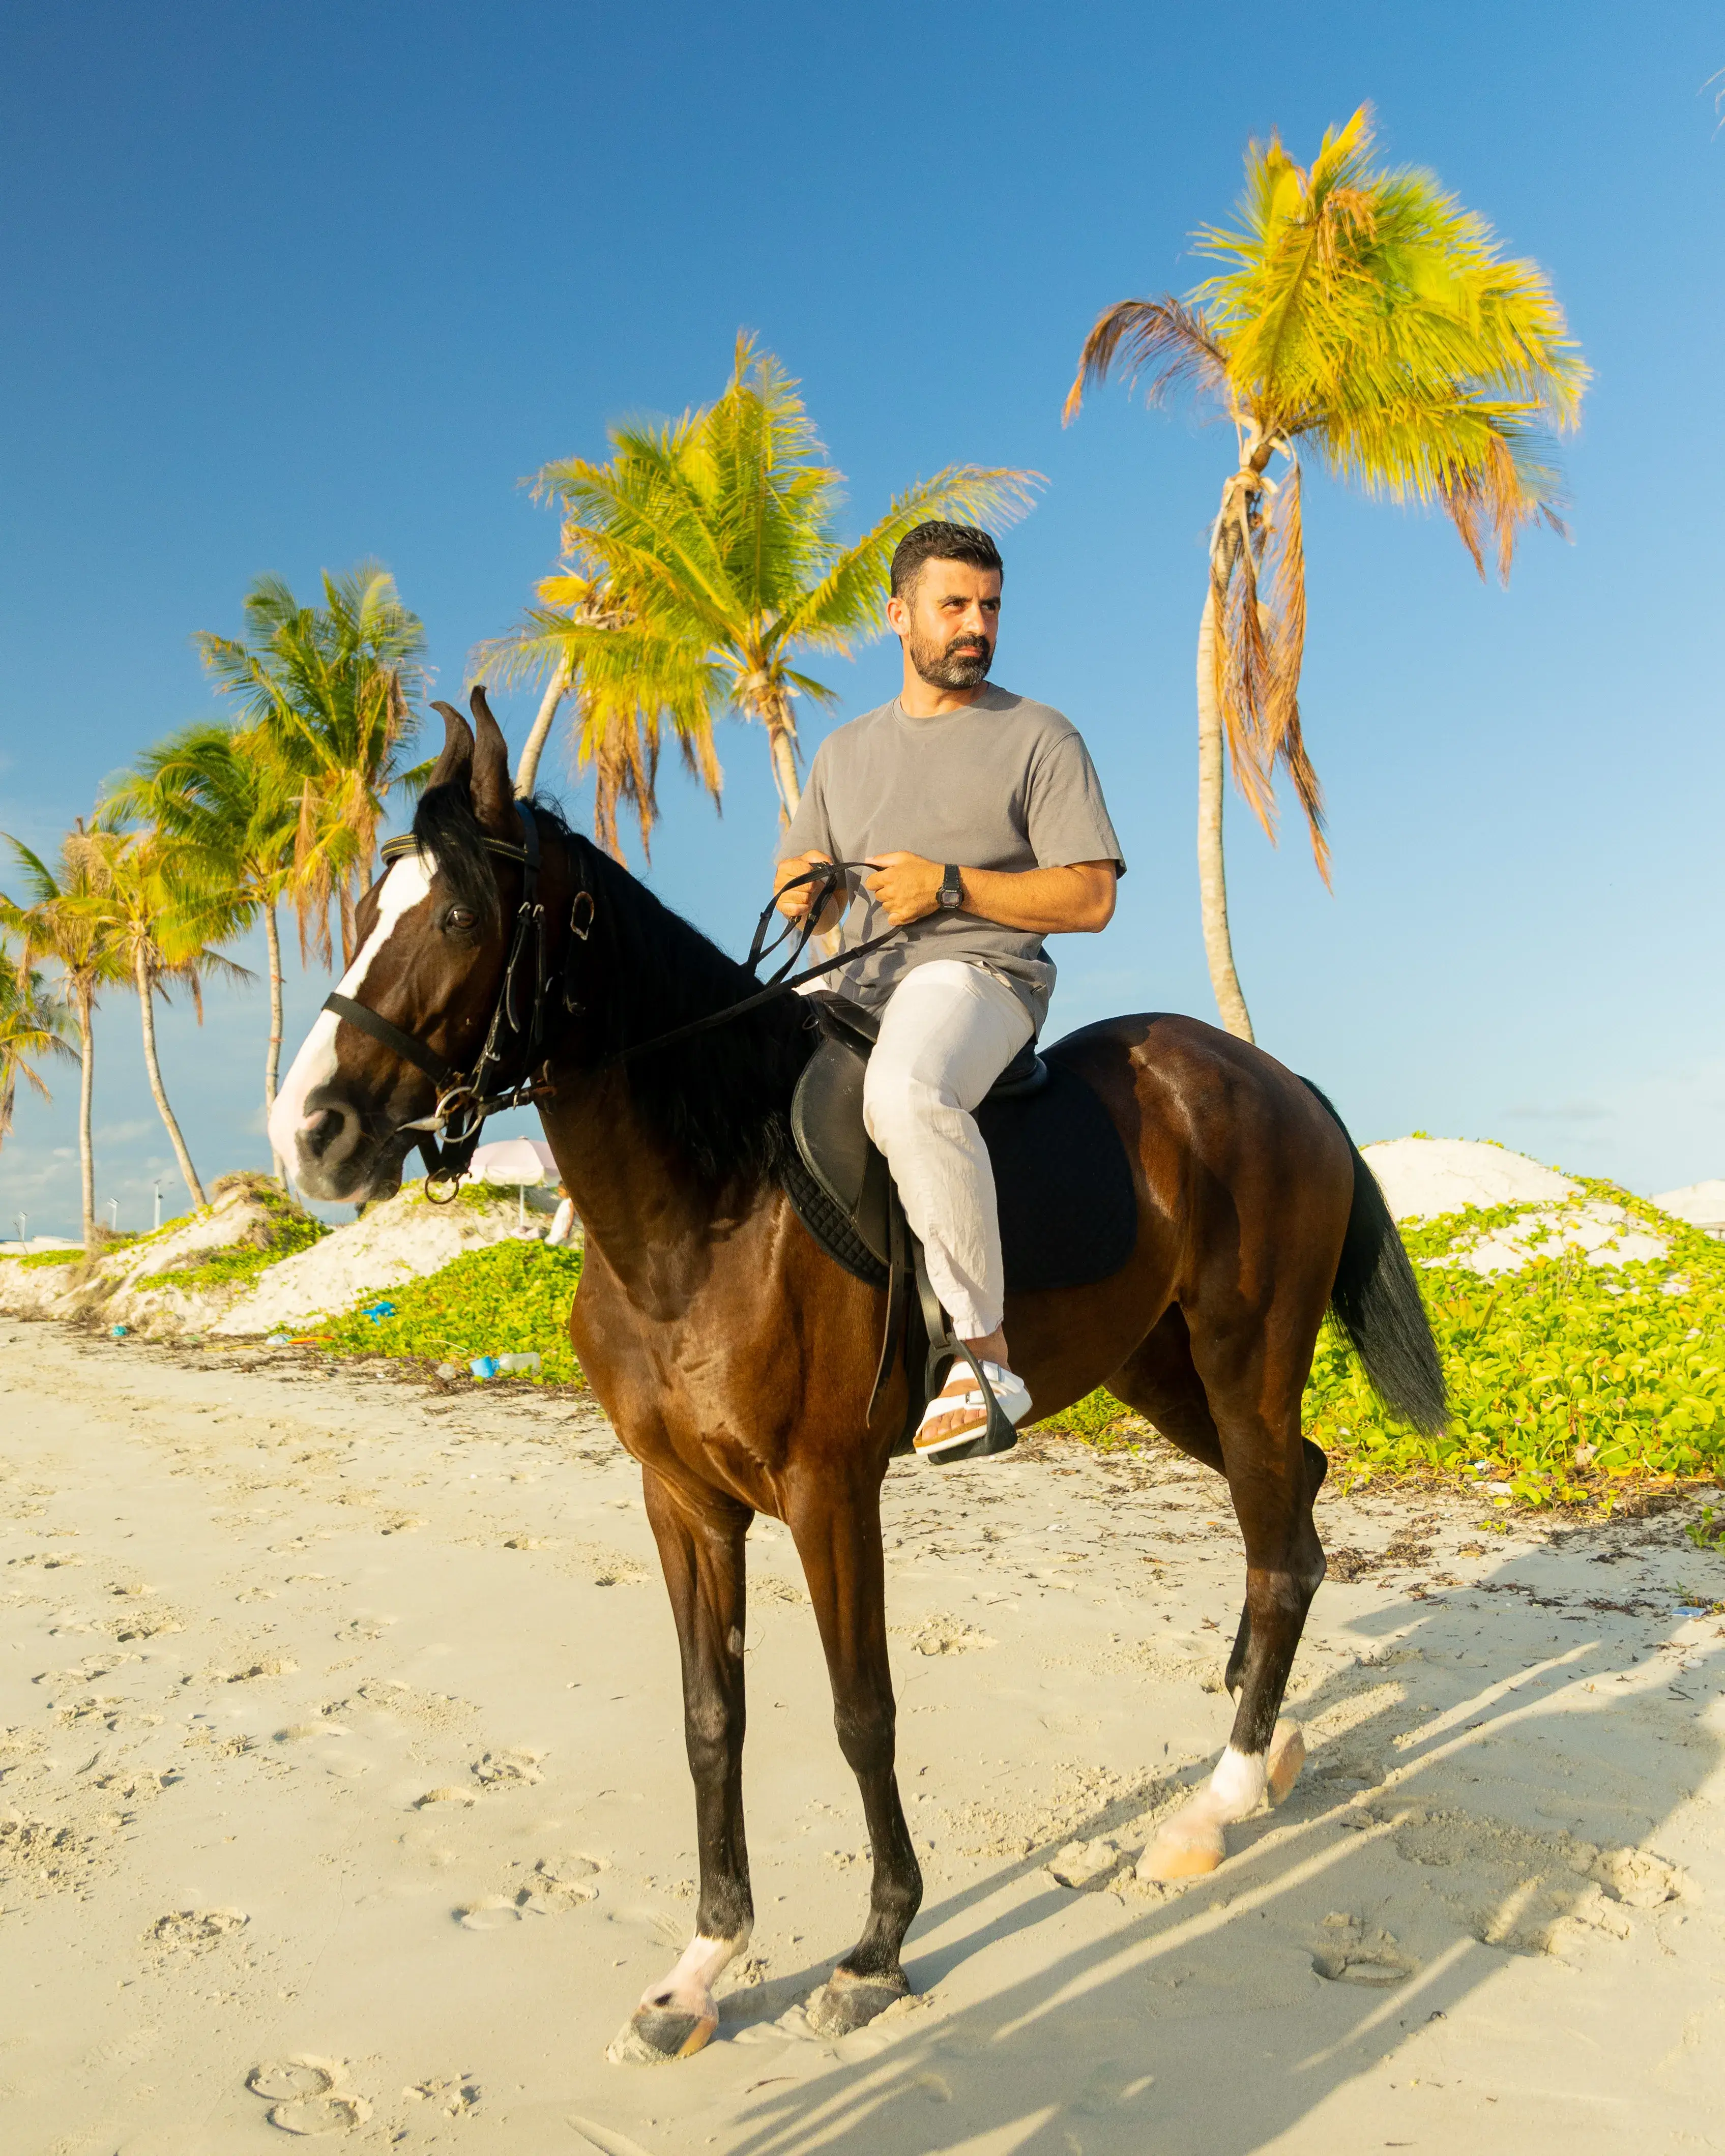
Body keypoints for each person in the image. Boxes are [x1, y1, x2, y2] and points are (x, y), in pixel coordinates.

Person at [775, 520, 1123, 1461]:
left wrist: (950, 884)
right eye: (955, 604)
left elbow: (1089, 895)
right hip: (848, 985)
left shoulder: (1038, 734)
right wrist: (803, 890)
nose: (978, 625)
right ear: (899, 615)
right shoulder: (842, 752)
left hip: (980, 976)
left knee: (907, 1090)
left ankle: (981, 1357)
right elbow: (795, 872)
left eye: (991, 606)